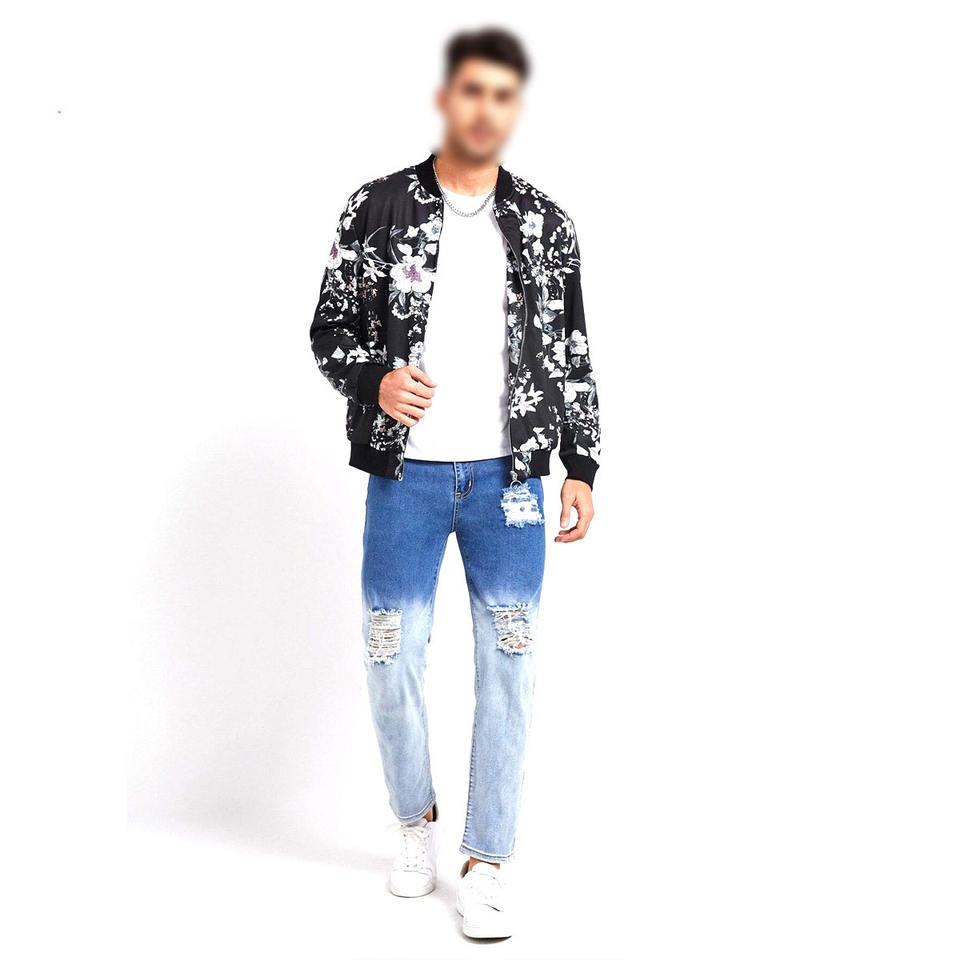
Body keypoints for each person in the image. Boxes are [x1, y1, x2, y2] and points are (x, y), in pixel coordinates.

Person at [309, 26, 600, 939]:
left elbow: (572, 348)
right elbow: (328, 328)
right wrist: (374, 381)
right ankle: (414, 821)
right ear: (447, 99)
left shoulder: (547, 225)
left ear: (515, 108)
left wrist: (583, 463)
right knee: (389, 651)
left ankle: (487, 860)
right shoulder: (378, 206)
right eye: (472, 90)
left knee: (510, 664)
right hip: (408, 475)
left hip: (512, 479)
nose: (486, 109)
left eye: (503, 95)